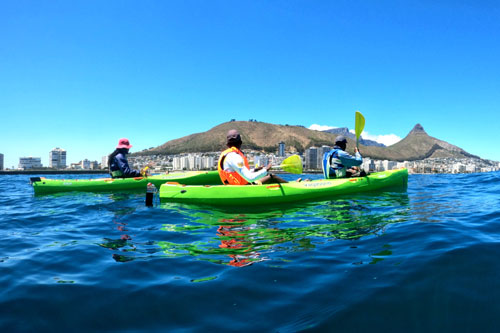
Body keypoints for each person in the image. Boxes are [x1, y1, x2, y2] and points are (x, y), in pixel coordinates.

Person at [218, 130, 287, 185]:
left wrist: (255, 169)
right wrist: (266, 169)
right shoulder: (234, 156)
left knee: (263, 175)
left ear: (228, 144)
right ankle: (292, 186)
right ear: (240, 143)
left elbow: (237, 172)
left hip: (232, 185)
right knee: (272, 176)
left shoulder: (228, 155)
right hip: (241, 188)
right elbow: (250, 178)